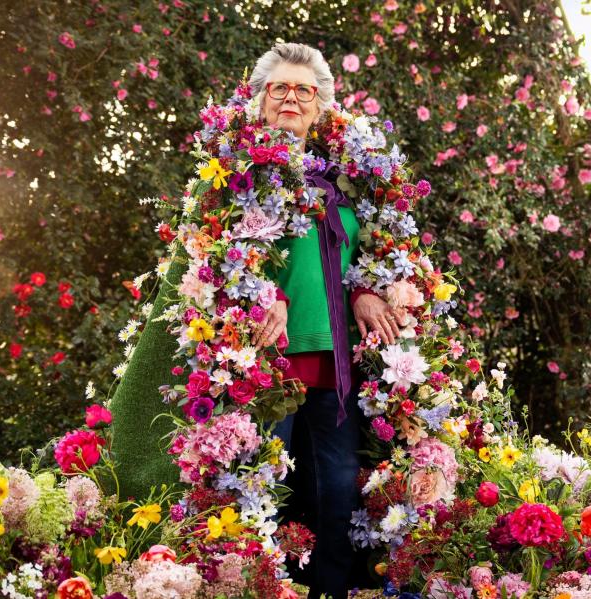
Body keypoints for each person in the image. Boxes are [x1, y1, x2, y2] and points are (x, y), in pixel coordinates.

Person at [247, 42, 407, 599]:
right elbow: (219, 253)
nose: (291, 98)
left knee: (338, 484)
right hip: (263, 361)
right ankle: (264, 588)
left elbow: (376, 248)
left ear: (320, 106)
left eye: (303, 90)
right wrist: (264, 291)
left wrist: (365, 290)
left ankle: (331, 590)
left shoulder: (348, 176)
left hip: (334, 360)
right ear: (262, 99)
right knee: (264, 486)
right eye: (279, 88)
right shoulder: (236, 172)